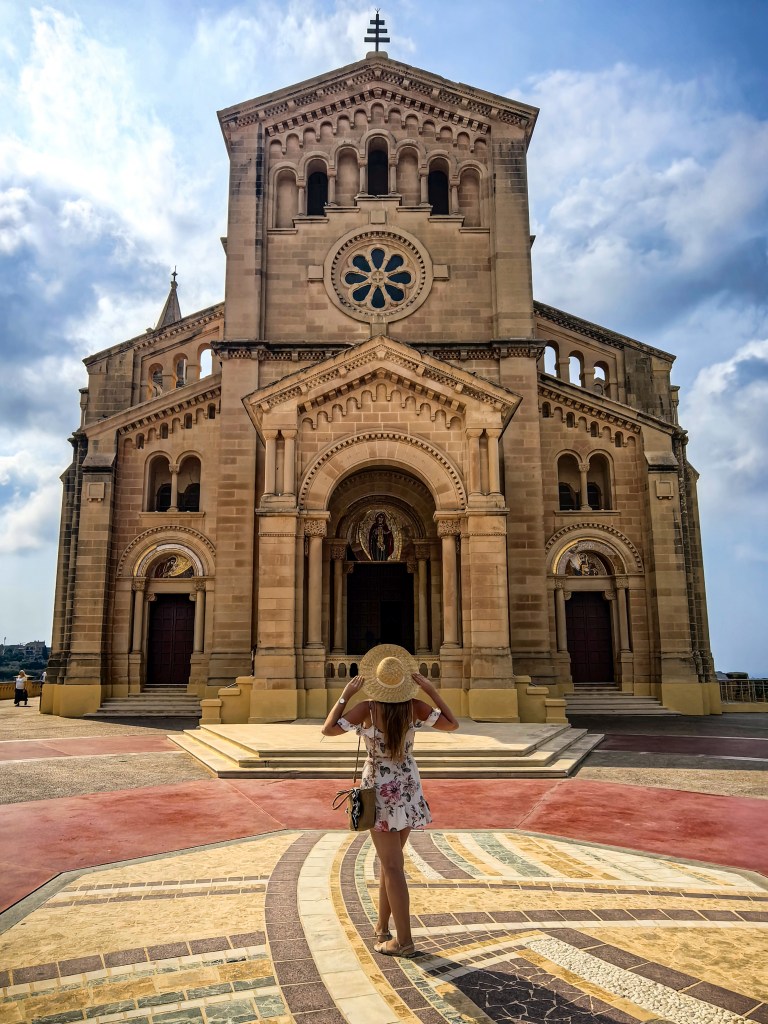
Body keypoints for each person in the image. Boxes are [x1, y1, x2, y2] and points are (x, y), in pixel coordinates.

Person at [322, 644, 459, 958]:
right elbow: (452, 723)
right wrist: (432, 691)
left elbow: (328, 729)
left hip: (380, 788)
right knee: (390, 863)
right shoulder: (415, 706)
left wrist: (345, 694)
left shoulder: (368, 710)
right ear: (405, 684)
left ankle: (405, 941)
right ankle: (382, 928)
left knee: (392, 866)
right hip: (408, 786)